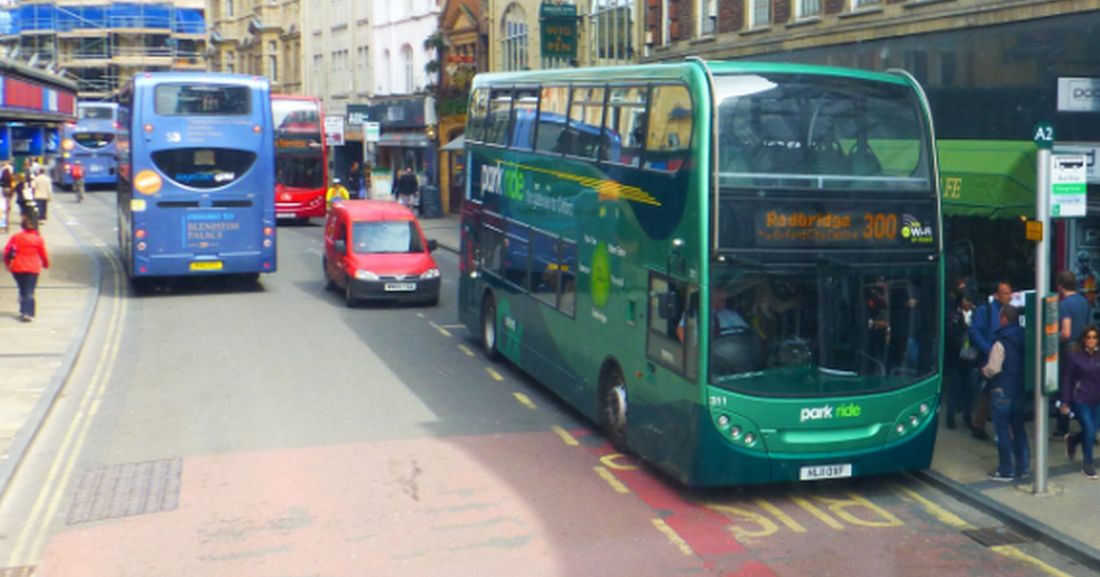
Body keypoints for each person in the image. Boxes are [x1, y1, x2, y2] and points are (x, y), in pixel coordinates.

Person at [982, 304, 1029, 482]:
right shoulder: (1025, 336)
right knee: (1019, 429)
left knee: (1002, 431)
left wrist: (983, 371)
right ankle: (1023, 467)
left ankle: (1006, 470)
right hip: (1018, 389)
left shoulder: (1000, 340)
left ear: (1003, 319)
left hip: (1001, 389)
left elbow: (993, 368)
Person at [968, 281, 1014, 441]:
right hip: (992, 359)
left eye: (1010, 292)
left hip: (1005, 359)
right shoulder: (986, 310)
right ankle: (1006, 434)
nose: (1010, 296)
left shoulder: (1010, 311)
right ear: (996, 295)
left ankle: (978, 424)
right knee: (997, 394)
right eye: (1005, 293)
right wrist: (988, 349)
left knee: (989, 394)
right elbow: (974, 331)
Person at [1061, 325, 1100, 479]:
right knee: (1089, 429)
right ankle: (1088, 464)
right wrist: (1065, 401)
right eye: (1088, 337)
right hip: (1080, 397)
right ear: (1083, 339)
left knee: (1091, 430)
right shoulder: (1074, 356)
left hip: (1097, 398)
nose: (1091, 340)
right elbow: (1067, 378)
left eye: (1094, 337)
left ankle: (1073, 440)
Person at [1056, 269, 1090, 439]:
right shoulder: (1084, 302)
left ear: (1060, 286)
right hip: (1083, 348)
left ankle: (1062, 428)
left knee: (1066, 388)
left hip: (1069, 350)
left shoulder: (1065, 305)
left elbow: (1066, 332)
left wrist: (1054, 340)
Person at [3, 214, 50, 322]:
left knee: (23, 289)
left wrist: (7, 264)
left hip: (17, 267)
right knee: (29, 290)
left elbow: (7, 251)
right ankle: (27, 312)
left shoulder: (16, 237)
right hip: (32, 268)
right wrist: (45, 264)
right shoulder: (38, 239)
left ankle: (23, 309)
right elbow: (43, 254)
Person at [944, 289, 979, 430]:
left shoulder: (976, 314)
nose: (969, 303)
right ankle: (950, 416)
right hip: (956, 359)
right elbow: (950, 333)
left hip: (972, 359)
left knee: (970, 389)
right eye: (966, 299)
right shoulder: (953, 315)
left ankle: (967, 415)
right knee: (955, 388)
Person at [0, 161, 13, 233]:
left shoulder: (3, 177)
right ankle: (6, 226)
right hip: (9, 190)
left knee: (2, 209)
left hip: (4, 190)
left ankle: (3, 225)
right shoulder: (10, 177)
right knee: (6, 205)